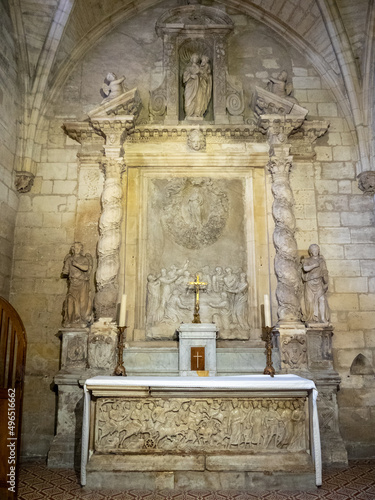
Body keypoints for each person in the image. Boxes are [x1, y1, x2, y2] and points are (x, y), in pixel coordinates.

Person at [62, 242, 93, 327]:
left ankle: (82, 319)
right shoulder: (69, 259)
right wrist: (66, 269)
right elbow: (65, 271)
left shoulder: (84, 259)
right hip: (73, 283)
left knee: (83, 300)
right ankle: (71, 319)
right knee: (71, 299)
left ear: (81, 249)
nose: (77, 250)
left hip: (82, 282)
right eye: (75, 248)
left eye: (78, 248)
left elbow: (86, 268)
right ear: (72, 249)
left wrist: (76, 264)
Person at [302, 244, 330, 323]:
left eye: (317, 250)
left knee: (322, 299)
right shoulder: (307, 260)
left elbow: (325, 272)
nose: (315, 251)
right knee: (311, 300)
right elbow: (305, 268)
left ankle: (323, 318)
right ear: (311, 252)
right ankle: (314, 317)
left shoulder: (321, 261)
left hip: (319, 282)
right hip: (310, 283)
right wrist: (314, 265)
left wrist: (326, 282)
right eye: (314, 250)